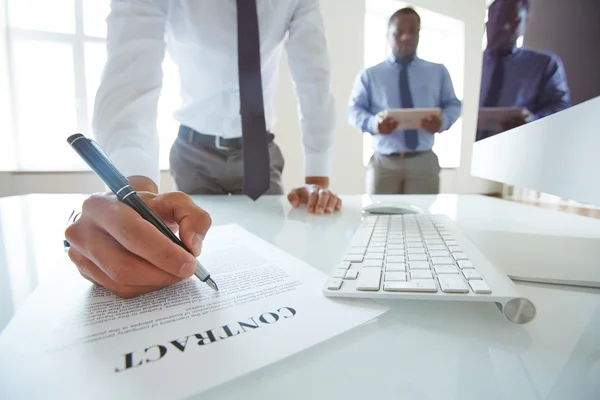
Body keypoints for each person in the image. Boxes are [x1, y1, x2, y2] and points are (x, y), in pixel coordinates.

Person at [65, 0, 342, 299]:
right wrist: (134, 194)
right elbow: (130, 73)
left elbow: (314, 80)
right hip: (192, 152)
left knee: (269, 252)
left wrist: (317, 181)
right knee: (189, 238)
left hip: (260, 155)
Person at [347, 7, 461, 195]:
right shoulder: (369, 75)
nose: (406, 37)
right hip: (384, 163)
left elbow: (453, 104)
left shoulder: (438, 72)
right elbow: (353, 111)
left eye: (412, 31)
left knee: (421, 220)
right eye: (399, 32)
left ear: (419, 34)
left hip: (423, 162)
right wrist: (374, 124)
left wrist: (443, 121)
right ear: (388, 35)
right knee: (380, 219)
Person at [476, 0, 570, 141]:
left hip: (520, 148)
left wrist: (533, 121)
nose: (506, 27)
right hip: (468, 150)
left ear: (524, 23)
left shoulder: (545, 64)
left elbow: (562, 109)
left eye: (514, 21)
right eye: (499, 19)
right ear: (487, 22)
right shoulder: (471, 61)